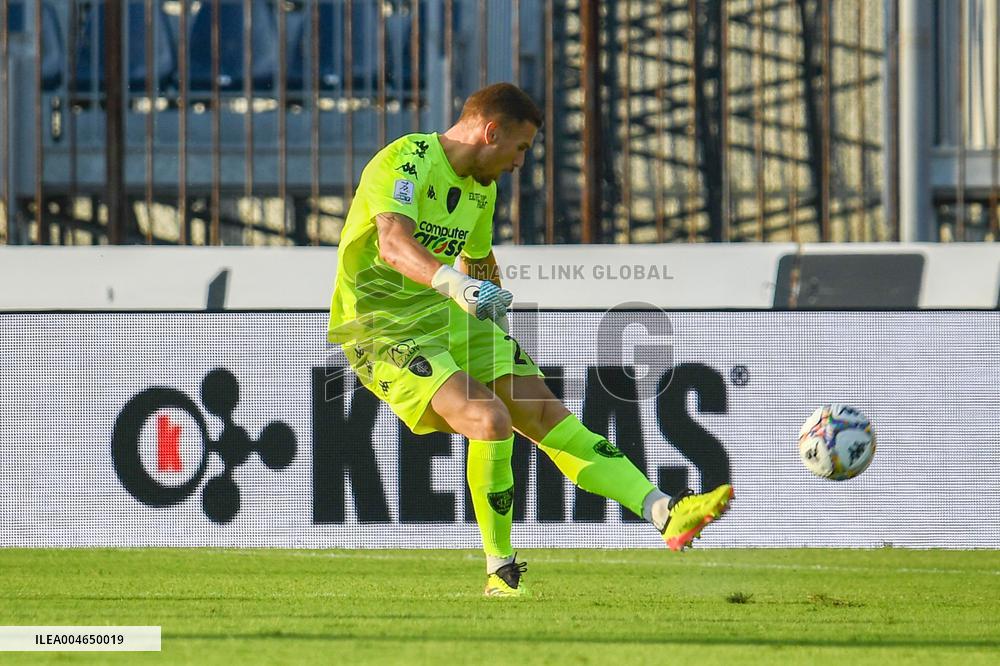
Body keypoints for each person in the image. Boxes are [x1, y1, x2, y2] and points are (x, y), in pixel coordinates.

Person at [327, 82, 733, 597]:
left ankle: (663, 512)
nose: (521, 163)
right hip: (383, 327)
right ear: (490, 130)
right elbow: (392, 244)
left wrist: (488, 291)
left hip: (450, 315)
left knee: (542, 414)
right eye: (520, 148)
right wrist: (456, 283)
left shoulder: (482, 188)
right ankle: (500, 569)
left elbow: (477, 259)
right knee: (489, 418)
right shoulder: (406, 162)